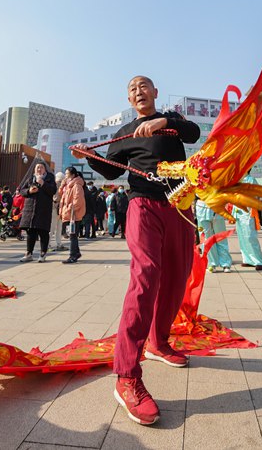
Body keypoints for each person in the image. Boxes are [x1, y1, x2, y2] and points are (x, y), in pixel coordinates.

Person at [71, 75, 200, 427]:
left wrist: (166, 122)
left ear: (155, 93)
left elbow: (194, 134)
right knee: (146, 277)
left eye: (143, 86)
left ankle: (159, 342)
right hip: (143, 204)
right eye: (131, 89)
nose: (138, 92)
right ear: (129, 99)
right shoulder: (126, 131)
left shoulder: (173, 123)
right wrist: (89, 157)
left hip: (179, 205)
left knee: (177, 277)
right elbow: (111, 168)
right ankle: (126, 375)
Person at [19, 161, 57, 262]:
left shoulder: (50, 178)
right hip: (30, 210)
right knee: (30, 232)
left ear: (45, 169)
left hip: (43, 210)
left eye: (41, 167)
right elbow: (21, 191)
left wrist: (43, 183)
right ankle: (29, 254)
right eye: (37, 168)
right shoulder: (31, 178)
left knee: (43, 232)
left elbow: (53, 191)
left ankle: (43, 254)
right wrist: (29, 191)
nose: (39, 169)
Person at [233, 176, 262, 270]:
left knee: (250, 237)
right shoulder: (236, 178)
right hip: (238, 212)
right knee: (242, 238)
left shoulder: (251, 180)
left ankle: (260, 261)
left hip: (248, 211)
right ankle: (248, 259)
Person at [58, 167, 86, 264]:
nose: (65, 176)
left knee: (72, 235)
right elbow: (59, 195)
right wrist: (62, 185)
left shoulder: (77, 185)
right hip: (69, 214)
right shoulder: (68, 186)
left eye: (67, 174)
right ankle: (76, 253)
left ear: (73, 175)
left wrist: (69, 208)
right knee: (72, 235)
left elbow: (78, 201)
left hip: (73, 215)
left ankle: (73, 255)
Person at [195, 199, 231, 273]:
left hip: (216, 205)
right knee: (206, 238)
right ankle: (211, 263)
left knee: (220, 236)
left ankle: (225, 263)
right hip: (201, 206)